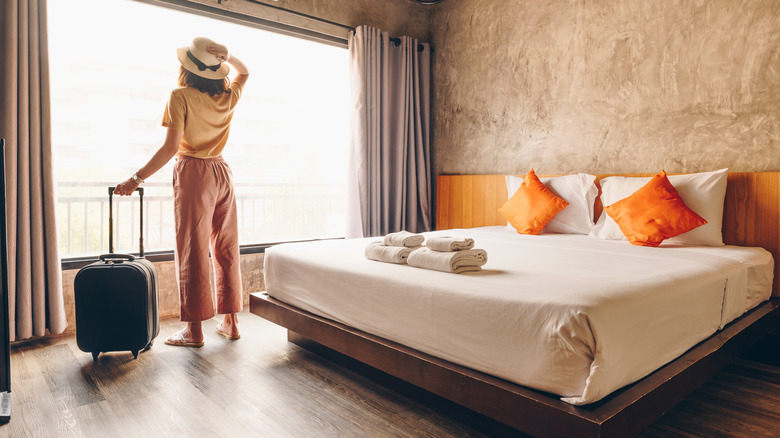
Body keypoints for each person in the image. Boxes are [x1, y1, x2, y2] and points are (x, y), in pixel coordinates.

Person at [114, 37, 249, 347]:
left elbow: (170, 148)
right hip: (222, 172)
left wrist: (136, 178)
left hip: (194, 173)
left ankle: (195, 331)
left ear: (187, 67)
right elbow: (244, 73)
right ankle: (230, 322)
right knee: (226, 246)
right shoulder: (227, 95)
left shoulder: (180, 96)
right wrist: (229, 56)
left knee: (193, 249)